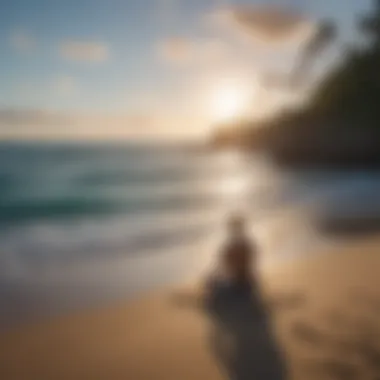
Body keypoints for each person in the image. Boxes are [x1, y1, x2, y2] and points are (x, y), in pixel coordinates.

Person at [219, 214, 256, 288]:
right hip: (246, 280)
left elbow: (226, 265)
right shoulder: (246, 245)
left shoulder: (232, 247)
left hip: (239, 281)